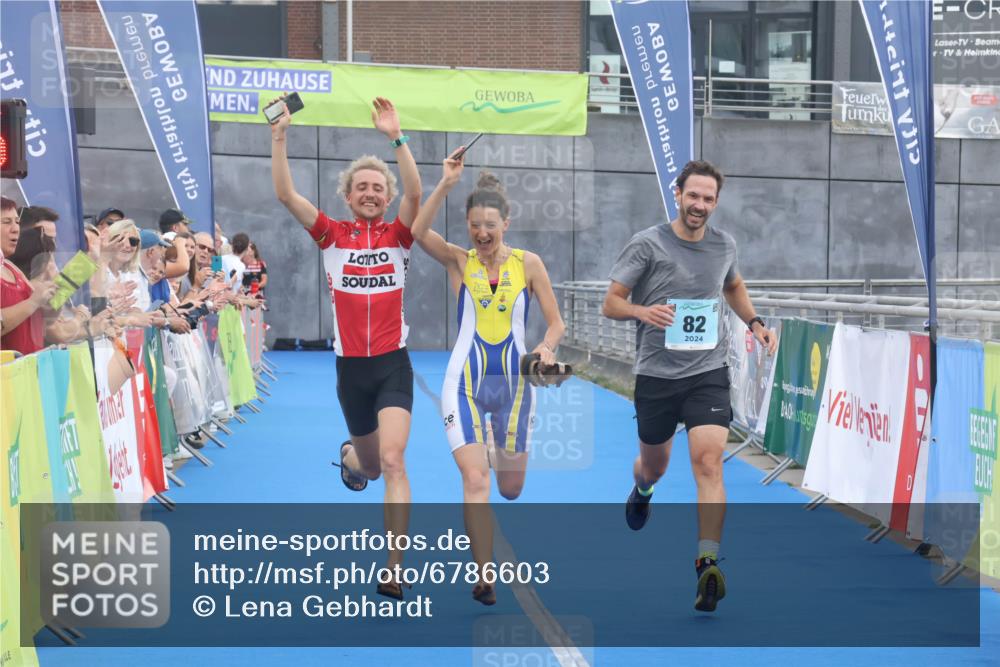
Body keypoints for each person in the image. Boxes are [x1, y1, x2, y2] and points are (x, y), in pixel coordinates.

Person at [601, 160, 777, 613]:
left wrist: (754, 322)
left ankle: (708, 563)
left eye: (708, 199)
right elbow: (611, 303)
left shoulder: (724, 246)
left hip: (708, 372)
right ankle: (642, 490)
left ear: (716, 203)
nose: (700, 205)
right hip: (658, 375)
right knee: (655, 466)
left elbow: (733, 286)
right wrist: (643, 312)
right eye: (693, 196)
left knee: (709, 461)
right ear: (677, 194)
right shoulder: (647, 244)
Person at [270, 95, 421, 600]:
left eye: (379, 188)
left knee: (396, 462)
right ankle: (352, 456)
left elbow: (417, 194)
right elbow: (287, 195)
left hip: (392, 364)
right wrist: (280, 135)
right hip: (350, 370)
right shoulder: (332, 235)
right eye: (363, 187)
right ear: (349, 195)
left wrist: (396, 138)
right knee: (373, 467)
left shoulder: (400, 235)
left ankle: (394, 567)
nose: (372, 193)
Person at [408, 155, 566, 606]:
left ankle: (494, 445)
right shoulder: (459, 261)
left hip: (514, 389)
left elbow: (556, 324)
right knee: (475, 479)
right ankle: (484, 574)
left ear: (506, 222)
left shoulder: (529, 264)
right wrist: (444, 183)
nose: (482, 233)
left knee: (510, 488)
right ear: (467, 223)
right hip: (464, 385)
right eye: (475, 224)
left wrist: (547, 348)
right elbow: (417, 232)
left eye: (490, 225)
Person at [1, 197, 56, 355]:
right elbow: (33, 303)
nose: (15, 229)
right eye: (6, 222)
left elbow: (46, 316)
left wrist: (55, 297)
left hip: (27, 373)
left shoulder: (10, 267)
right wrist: (33, 301)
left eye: (17, 222)